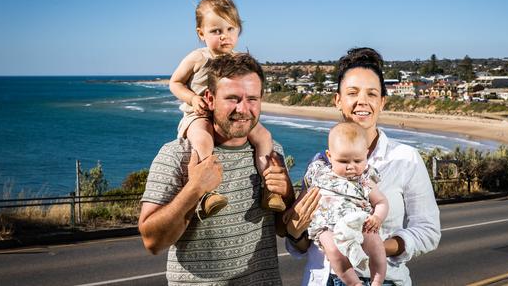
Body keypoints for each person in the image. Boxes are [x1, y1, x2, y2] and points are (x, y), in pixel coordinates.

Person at [284, 48, 441, 286]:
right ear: (338, 100)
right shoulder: (319, 164)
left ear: (382, 102)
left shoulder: (405, 158)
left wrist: (374, 247)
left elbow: (428, 231)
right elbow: (303, 243)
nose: (362, 102)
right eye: (352, 93)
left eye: (372, 94)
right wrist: (295, 234)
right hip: (322, 279)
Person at [139, 53, 295, 285]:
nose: (243, 109)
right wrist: (194, 189)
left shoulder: (272, 153)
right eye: (232, 98)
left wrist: (288, 193)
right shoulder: (177, 155)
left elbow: (284, 229)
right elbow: (153, 242)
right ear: (210, 99)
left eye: (252, 99)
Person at [169, 0, 284, 217]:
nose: (225, 37)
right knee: (203, 139)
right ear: (201, 33)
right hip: (199, 115)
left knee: (264, 137)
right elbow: (175, 83)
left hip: (230, 116)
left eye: (231, 29)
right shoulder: (198, 58)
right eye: (216, 31)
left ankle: (269, 188)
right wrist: (193, 98)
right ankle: (207, 194)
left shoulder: (238, 59)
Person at [303, 122, 389, 286]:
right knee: (334, 251)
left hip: (359, 223)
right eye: (343, 161)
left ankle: (377, 280)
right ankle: (354, 283)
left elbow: (381, 201)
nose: (351, 166)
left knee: (377, 247)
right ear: (329, 156)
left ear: (366, 154)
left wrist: (377, 217)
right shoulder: (320, 172)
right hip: (327, 225)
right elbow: (306, 195)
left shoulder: (364, 180)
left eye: (357, 160)